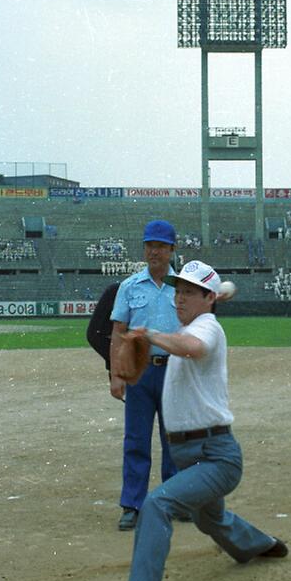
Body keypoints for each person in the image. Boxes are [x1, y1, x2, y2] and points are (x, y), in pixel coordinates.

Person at [99, 260, 288, 581]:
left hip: (217, 455)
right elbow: (179, 342)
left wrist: (151, 333)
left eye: (188, 291)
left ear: (208, 299)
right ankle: (263, 544)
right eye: (177, 290)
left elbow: (192, 347)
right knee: (209, 519)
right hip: (189, 453)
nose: (179, 296)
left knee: (157, 504)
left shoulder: (208, 328)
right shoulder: (188, 324)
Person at [109, 220, 181, 531]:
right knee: (136, 439)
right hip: (139, 372)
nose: (154, 251)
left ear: (171, 250)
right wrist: (116, 374)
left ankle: (173, 500)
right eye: (150, 245)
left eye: (161, 246)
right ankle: (132, 505)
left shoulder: (184, 287)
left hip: (174, 373)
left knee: (174, 441)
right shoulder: (129, 287)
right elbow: (117, 332)